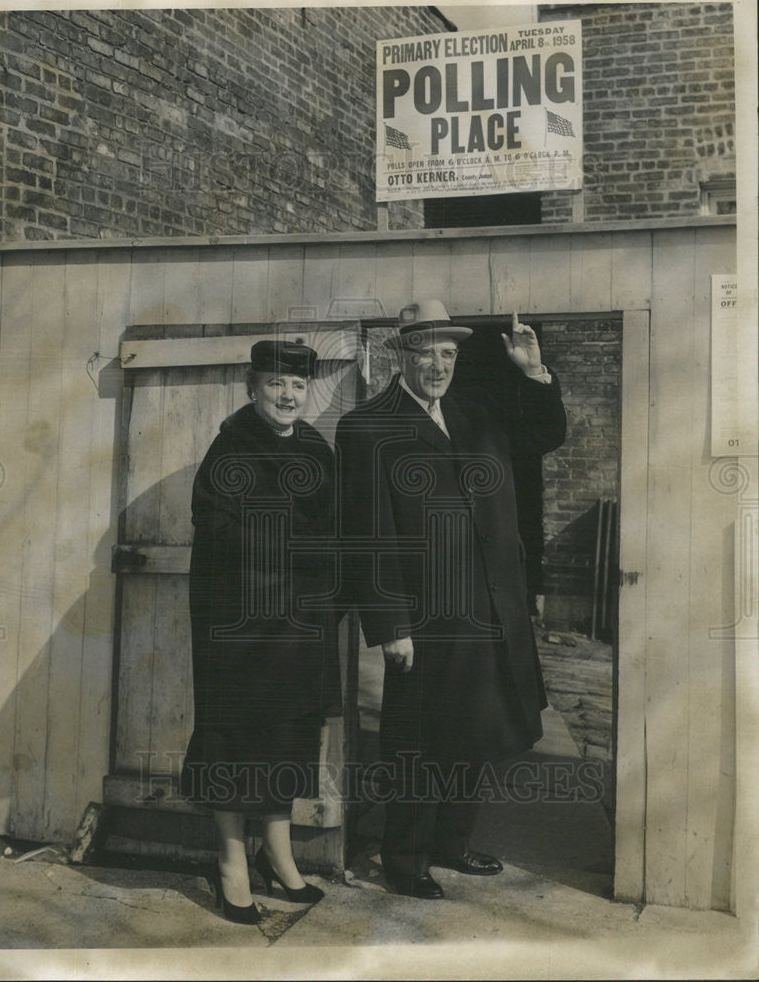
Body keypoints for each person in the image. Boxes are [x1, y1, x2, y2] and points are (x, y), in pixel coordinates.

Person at [335, 300, 566, 899]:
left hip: (491, 605)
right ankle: (404, 858)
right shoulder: (367, 426)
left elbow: (546, 434)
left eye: (448, 353)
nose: (437, 365)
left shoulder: (478, 413)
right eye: (425, 353)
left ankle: (451, 842)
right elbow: (366, 534)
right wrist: (390, 624)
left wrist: (534, 372)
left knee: (477, 731)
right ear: (401, 356)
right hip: (424, 616)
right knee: (418, 739)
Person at [180, 340, 341, 924]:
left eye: (297, 386)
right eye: (275, 384)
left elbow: (334, 532)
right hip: (239, 625)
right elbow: (213, 524)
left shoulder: (317, 450)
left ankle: (277, 855)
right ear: (253, 387)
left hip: (297, 625)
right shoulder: (232, 445)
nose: (287, 395)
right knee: (235, 739)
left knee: (287, 737)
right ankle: (230, 864)